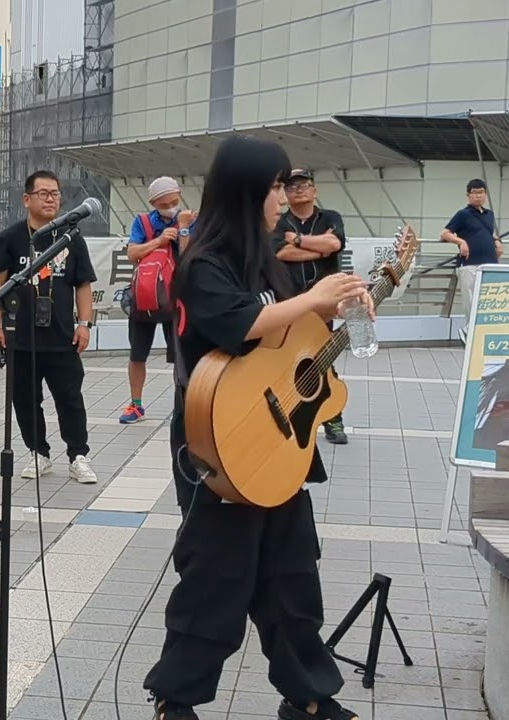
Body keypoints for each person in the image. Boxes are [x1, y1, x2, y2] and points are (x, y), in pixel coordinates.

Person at [144, 135, 368, 720]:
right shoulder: (203, 263)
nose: (283, 196)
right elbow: (240, 325)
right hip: (219, 437)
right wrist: (311, 295)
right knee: (215, 577)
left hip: (278, 441)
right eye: (274, 185)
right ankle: (177, 701)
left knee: (292, 574)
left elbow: (289, 335)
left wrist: (336, 305)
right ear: (247, 190)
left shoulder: (265, 257)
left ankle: (310, 697)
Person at [0, 170, 98, 484]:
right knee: (24, 400)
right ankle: (38, 453)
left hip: (62, 337)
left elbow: (83, 285)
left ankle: (78, 456)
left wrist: (84, 324)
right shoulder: (10, 238)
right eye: (43, 193)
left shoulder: (71, 238)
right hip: (20, 337)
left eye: (55, 193)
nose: (50, 199)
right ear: (27, 199)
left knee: (70, 399)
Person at [273, 169, 350, 445]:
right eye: (292, 188)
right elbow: (279, 252)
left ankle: (334, 418)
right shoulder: (280, 221)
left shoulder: (330, 218)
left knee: (322, 356)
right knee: (289, 358)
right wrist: (320, 249)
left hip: (324, 305)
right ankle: (290, 412)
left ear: (315, 190)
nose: (299, 191)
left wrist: (297, 240)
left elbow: (335, 243)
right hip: (288, 303)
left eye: (304, 186)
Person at [120, 176, 189, 425]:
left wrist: (182, 229)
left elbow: (191, 254)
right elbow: (132, 253)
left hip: (176, 299)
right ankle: (135, 404)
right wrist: (159, 241)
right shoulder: (143, 222)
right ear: (153, 203)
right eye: (163, 204)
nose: (170, 207)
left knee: (179, 356)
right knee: (137, 354)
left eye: (173, 201)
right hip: (145, 297)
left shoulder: (191, 219)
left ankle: (182, 404)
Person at [441, 179, 502, 343]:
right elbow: (445, 233)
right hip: (469, 264)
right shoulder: (463, 214)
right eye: (474, 193)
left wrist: (497, 241)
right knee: (471, 303)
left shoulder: (489, 215)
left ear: (485, 195)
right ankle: (470, 335)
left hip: (489, 263)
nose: (478, 196)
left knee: (487, 302)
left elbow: (488, 233)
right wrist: (461, 242)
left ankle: (471, 333)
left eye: (481, 192)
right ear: (468, 196)